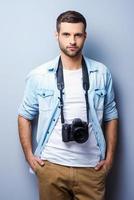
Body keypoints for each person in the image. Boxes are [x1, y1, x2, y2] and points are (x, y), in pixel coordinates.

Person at [18, 10, 118, 200]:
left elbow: (111, 115)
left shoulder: (102, 73)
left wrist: (110, 159)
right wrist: (29, 156)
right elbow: (24, 115)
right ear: (57, 35)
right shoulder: (39, 76)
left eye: (77, 34)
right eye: (66, 34)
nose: (72, 41)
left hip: (92, 168)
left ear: (85, 36)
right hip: (51, 167)